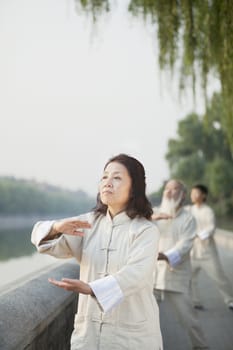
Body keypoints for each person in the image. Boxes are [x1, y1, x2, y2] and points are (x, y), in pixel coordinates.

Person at [31, 153, 163, 350]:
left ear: (134, 187)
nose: (107, 183)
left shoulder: (146, 230)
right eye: (104, 177)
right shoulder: (88, 223)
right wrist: (57, 227)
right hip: (89, 336)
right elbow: (48, 244)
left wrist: (92, 288)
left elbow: (136, 275)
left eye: (117, 178)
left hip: (132, 337)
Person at [152, 179, 209, 350]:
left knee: (189, 319)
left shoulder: (188, 219)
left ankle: (201, 347)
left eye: (174, 189)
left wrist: (163, 256)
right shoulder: (152, 214)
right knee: (141, 318)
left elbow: (185, 246)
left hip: (176, 275)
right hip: (151, 276)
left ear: (183, 195)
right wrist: (150, 218)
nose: (169, 192)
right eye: (167, 189)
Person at [187, 184, 233, 311]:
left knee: (219, 276)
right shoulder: (189, 210)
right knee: (190, 278)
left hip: (207, 251)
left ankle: (230, 300)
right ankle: (195, 301)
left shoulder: (208, 211)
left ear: (203, 195)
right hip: (192, 252)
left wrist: (201, 235)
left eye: (196, 193)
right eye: (192, 193)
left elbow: (211, 227)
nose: (193, 195)